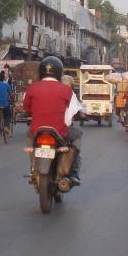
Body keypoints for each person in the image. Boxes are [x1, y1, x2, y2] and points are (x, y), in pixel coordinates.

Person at [23, 56, 83, 184]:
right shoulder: (67, 90)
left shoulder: (32, 88)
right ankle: (72, 173)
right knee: (77, 136)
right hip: (60, 131)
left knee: (29, 136)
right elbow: (74, 110)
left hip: (37, 130)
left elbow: (26, 108)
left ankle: (33, 168)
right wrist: (80, 115)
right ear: (59, 72)